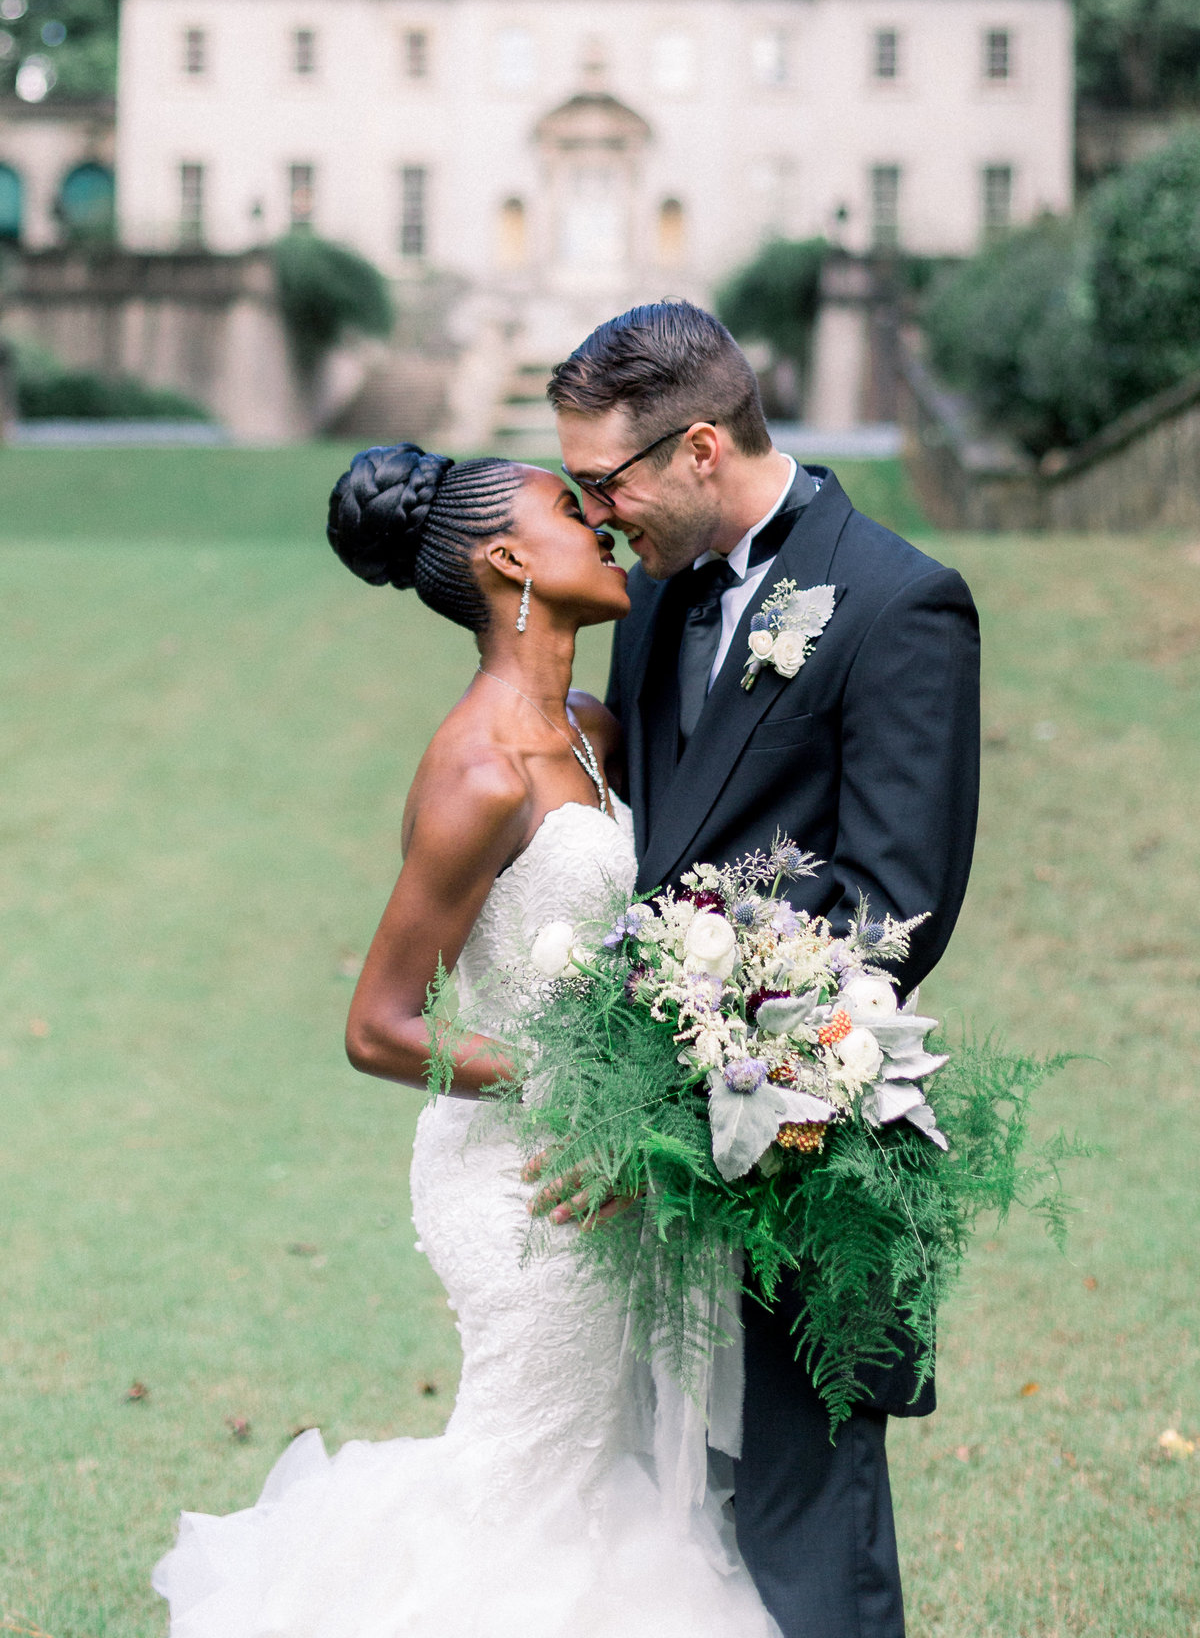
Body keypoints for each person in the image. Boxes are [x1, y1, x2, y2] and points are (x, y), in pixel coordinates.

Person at [152, 444, 780, 1637]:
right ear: (507, 561)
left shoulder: (590, 726)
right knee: (525, 1487)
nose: (598, 518)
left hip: (611, 1171)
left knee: (587, 1480)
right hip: (528, 1182)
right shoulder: (479, 770)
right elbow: (381, 1027)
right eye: (565, 506)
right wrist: (581, 1095)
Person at [549, 300, 982, 1638]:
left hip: (800, 1145)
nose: (595, 515)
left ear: (696, 450)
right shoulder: (658, 593)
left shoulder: (902, 604)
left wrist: (711, 1080)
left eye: (602, 482)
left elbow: (890, 914)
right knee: (668, 1519)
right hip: (655, 1164)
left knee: (806, 1534)